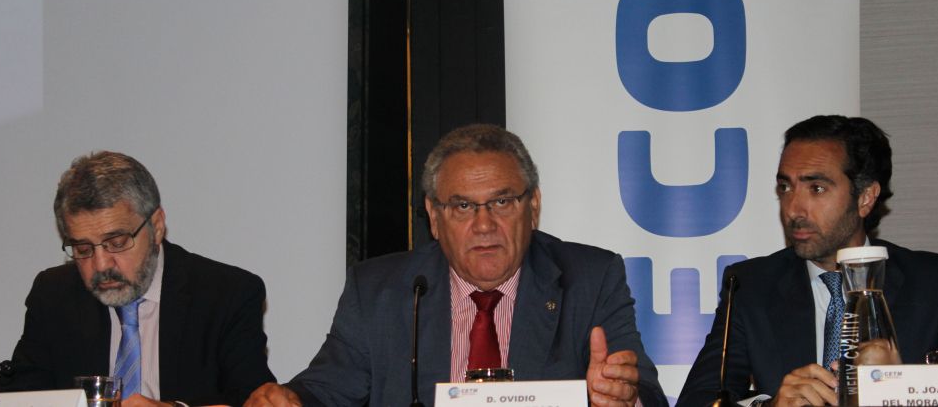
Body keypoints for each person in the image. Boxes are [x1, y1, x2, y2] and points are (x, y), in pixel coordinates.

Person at [245, 124, 667, 407]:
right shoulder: (378, 291)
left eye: (502, 201)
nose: (484, 225)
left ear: (533, 206)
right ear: (434, 216)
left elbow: (645, 391)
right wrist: (288, 400)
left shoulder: (589, 279)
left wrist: (624, 397)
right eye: (462, 206)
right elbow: (325, 391)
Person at [678, 115, 938, 407]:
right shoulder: (751, 285)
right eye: (785, 187)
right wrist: (769, 405)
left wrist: (896, 387)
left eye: (817, 188)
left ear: (865, 197)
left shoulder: (933, 281)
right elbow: (697, 400)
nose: (793, 209)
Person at [0, 151, 275, 406]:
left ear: (157, 227)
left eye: (117, 242)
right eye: (83, 249)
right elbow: (20, 395)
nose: (101, 265)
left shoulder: (226, 294)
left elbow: (252, 399)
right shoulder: (54, 295)